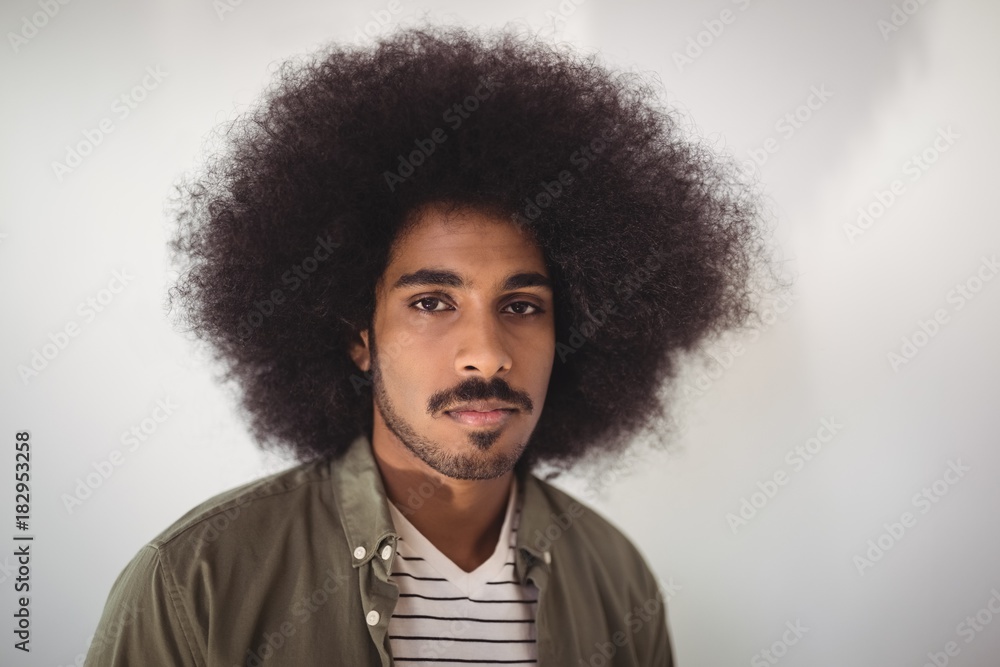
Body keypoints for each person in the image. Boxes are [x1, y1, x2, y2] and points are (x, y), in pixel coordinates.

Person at [85, 22, 781, 666]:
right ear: (360, 337)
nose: (486, 353)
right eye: (431, 302)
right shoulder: (197, 580)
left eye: (521, 305)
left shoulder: (617, 581)